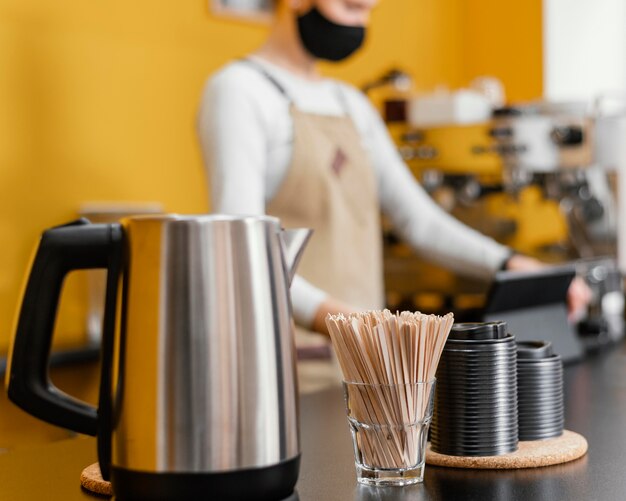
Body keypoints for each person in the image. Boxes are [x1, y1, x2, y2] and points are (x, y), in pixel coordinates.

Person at [197, 0, 590, 342]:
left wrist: (510, 264)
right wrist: (343, 322)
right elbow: (243, 249)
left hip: (367, 363)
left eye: (369, 11)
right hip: (288, 358)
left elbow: (420, 222)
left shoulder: (350, 104)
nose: (360, 23)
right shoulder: (238, 91)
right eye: (351, 7)